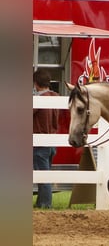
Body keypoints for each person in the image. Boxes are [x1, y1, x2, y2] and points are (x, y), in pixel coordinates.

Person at [33, 69, 59, 209]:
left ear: (36, 83)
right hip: (52, 142)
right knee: (45, 173)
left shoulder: (39, 99)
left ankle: (45, 204)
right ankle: (41, 202)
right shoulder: (56, 96)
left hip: (40, 142)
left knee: (43, 177)